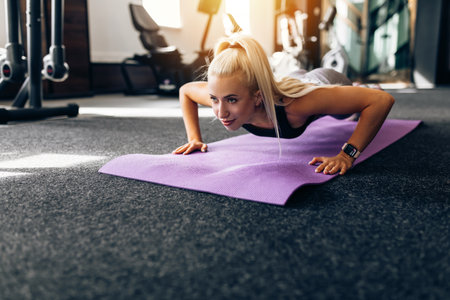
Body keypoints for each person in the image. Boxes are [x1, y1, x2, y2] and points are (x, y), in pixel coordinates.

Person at [173, 34, 394, 175]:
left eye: (231, 100)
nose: (221, 112)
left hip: (322, 80)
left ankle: (361, 86)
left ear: (257, 97)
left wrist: (347, 155)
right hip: (289, 79)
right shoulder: (229, 97)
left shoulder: (297, 106)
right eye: (214, 99)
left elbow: (382, 102)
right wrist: (194, 139)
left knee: (347, 113)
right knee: (290, 77)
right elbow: (186, 91)